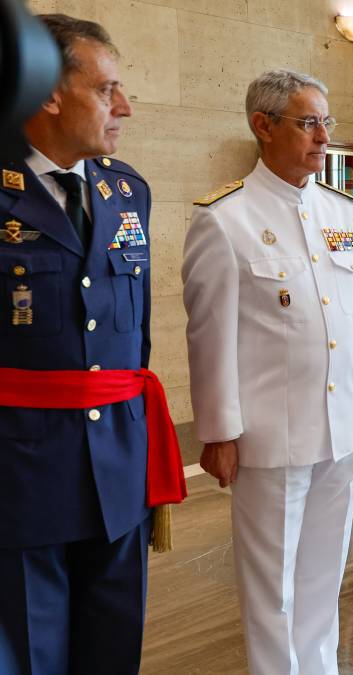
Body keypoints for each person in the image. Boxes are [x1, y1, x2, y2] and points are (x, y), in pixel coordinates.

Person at [0, 15, 186, 674]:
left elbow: (134, 338)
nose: (125, 106)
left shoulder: (126, 189)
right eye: (107, 90)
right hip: (22, 469)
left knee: (113, 642)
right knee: (30, 648)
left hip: (117, 464)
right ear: (49, 91)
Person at [182, 69, 353, 675]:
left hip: (340, 426)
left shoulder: (340, 211)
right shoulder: (225, 219)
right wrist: (218, 433)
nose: (324, 136)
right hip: (270, 436)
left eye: (327, 122)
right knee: (272, 588)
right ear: (262, 126)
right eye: (309, 122)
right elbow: (209, 336)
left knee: (325, 572)